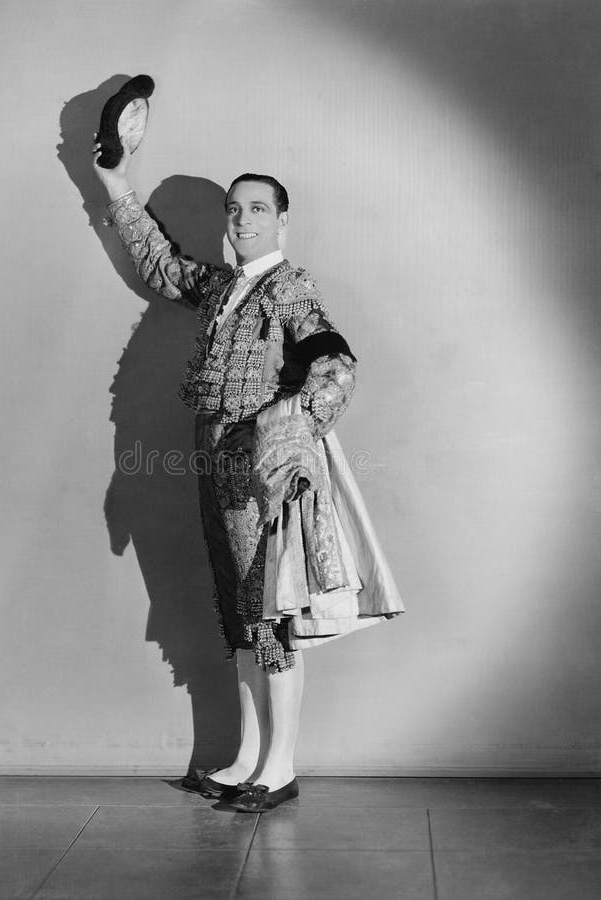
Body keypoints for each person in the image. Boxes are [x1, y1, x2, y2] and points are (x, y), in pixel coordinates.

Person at [91, 135, 397, 812]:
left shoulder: (287, 287)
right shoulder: (226, 287)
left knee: (269, 616)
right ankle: (244, 761)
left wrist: (290, 436)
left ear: (282, 221)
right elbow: (162, 265)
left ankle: (280, 767)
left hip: (258, 472)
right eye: (234, 209)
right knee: (238, 614)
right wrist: (115, 184)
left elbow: (334, 365)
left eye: (257, 209)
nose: (241, 220)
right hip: (214, 461)